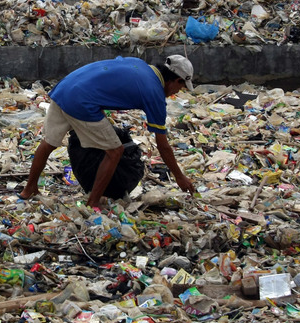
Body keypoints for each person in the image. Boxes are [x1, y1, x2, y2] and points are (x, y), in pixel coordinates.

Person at [19, 55, 197, 209]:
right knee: (115, 151)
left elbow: (108, 78)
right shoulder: (155, 93)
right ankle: (93, 202)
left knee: (49, 142)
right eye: (180, 87)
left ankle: (29, 189)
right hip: (82, 101)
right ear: (176, 80)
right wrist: (179, 176)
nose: (176, 92)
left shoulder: (141, 65)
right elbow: (163, 145)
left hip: (67, 86)